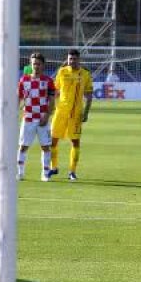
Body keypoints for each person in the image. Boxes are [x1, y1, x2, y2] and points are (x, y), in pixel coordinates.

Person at [49, 49, 93, 182]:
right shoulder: (61, 72)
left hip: (76, 114)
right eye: (70, 59)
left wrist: (86, 112)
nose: (72, 61)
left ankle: (72, 171)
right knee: (53, 140)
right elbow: (55, 91)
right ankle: (53, 167)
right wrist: (49, 108)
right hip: (60, 111)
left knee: (75, 142)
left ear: (79, 59)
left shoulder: (85, 74)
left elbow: (89, 95)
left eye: (74, 59)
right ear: (67, 59)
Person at [17, 53, 56, 182]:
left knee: (45, 147)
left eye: (38, 64)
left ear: (43, 65)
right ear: (31, 64)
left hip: (42, 119)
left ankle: (45, 173)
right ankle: (20, 173)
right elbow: (19, 99)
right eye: (34, 63)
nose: (36, 66)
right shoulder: (24, 80)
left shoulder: (48, 81)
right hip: (28, 118)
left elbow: (51, 101)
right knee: (23, 146)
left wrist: (47, 116)